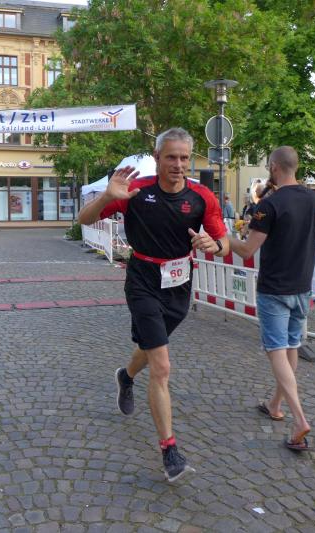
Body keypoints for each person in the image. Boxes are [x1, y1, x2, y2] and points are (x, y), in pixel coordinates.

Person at [78, 127, 228, 482]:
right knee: (161, 366)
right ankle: (169, 450)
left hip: (179, 284)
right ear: (157, 157)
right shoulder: (135, 190)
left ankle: (126, 376)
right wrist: (106, 197)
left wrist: (215, 245)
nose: (178, 164)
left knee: (151, 347)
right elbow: (84, 219)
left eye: (184, 158)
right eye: (171, 157)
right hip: (143, 280)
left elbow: (223, 243)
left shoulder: (202, 196)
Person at [224, 146, 315, 452]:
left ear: (275, 167)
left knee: (276, 351)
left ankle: (299, 420)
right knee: (290, 346)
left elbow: (247, 250)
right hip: (302, 285)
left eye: (268, 166)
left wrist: (224, 238)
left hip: (275, 288)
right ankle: (275, 405)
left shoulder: (270, 204)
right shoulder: (313, 199)